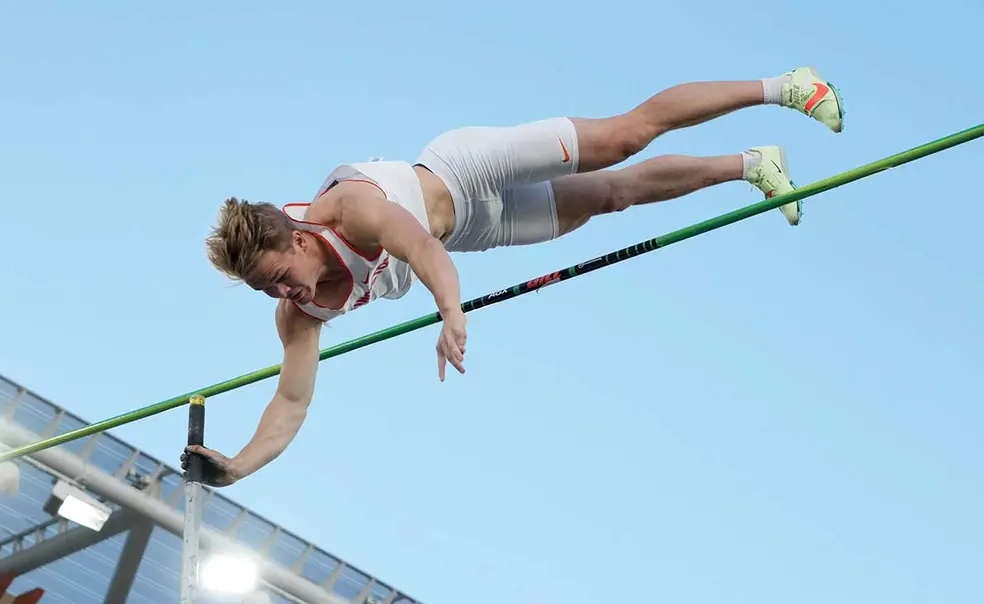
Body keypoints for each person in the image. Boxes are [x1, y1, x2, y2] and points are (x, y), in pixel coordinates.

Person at [181, 66, 844, 487]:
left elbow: (421, 251)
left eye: (278, 277)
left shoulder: (350, 212)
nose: (282, 294)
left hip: (466, 170)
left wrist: (450, 314)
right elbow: (292, 402)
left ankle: (785, 87)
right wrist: (237, 466)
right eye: (267, 292)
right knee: (614, 195)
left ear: (298, 238)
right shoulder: (298, 317)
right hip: (474, 229)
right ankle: (753, 165)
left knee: (622, 138)